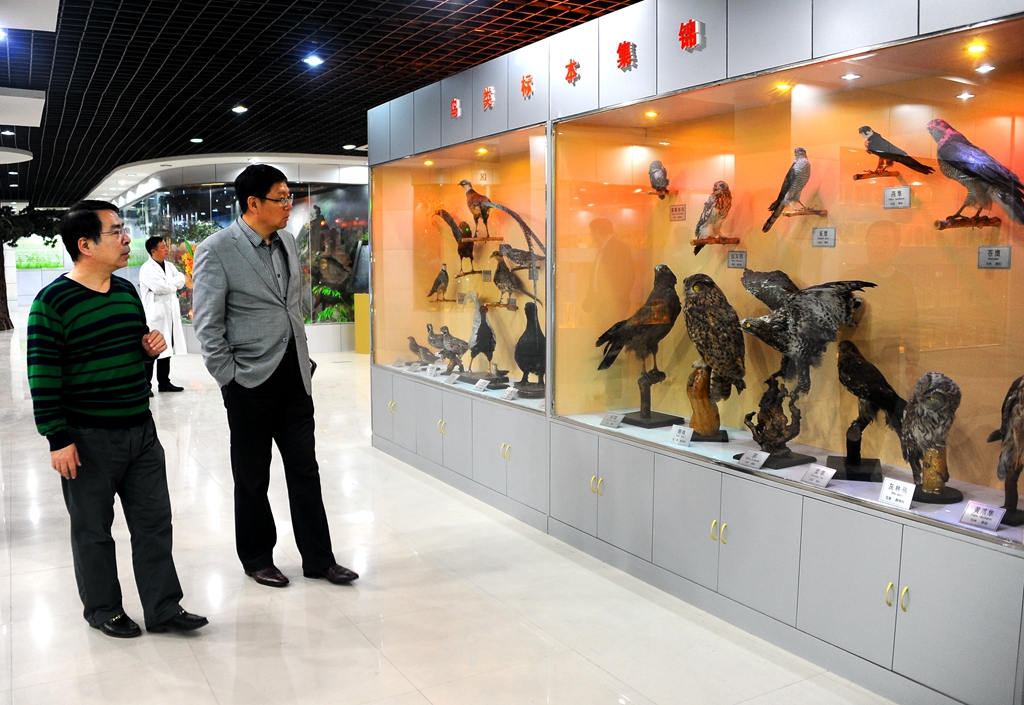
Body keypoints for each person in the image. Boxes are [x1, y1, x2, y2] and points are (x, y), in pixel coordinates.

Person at [26, 200, 207, 638]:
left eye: (124, 230)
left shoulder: (126, 293)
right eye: (116, 231)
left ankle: (163, 607)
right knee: (93, 531)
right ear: (85, 245)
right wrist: (57, 439)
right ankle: (103, 609)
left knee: (154, 524)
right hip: (88, 438)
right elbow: (43, 376)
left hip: (140, 430)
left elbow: (131, 356)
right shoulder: (52, 302)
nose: (127, 239)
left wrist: (146, 352)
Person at [192, 165, 358, 588]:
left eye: (289, 197)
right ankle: (257, 558)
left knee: (306, 470)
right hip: (249, 382)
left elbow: (291, 304)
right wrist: (230, 378)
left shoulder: (285, 240)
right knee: (252, 477)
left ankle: (319, 559)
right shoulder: (217, 249)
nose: (289, 205)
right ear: (253, 203)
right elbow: (207, 325)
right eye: (281, 198)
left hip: (294, 376)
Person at [140, 235, 186, 393]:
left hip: (170, 314)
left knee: (166, 349)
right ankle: (146, 385)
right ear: (153, 251)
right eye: (163, 247)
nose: (167, 249)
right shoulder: (146, 269)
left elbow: (181, 279)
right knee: (153, 349)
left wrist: (169, 284)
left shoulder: (169, 266)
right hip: (155, 316)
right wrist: (172, 285)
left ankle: (164, 382)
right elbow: (160, 288)